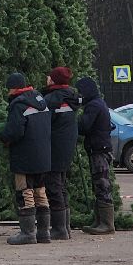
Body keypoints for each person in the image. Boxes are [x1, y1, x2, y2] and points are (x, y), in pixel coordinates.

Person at [0, 72, 52, 245]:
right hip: (43, 155)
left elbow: (15, 131)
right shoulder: (41, 101)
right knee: (40, 191)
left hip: (24, 156)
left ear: (14, 88)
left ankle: (28, 233)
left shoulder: (18, 104)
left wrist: (3, 137)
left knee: (24, 192)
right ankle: (44, 233)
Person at [43, 65, 80, 240]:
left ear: (54, 79)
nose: (47, 78)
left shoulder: (51, 99)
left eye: (49, 76)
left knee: (53, 186)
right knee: (61, 185)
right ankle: (65, 227)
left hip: (54, 148)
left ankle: (59, 229)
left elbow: (44, 124)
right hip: (67, 147)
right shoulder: (71, 98)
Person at [76, 75, 115, 236]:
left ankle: (106, 224)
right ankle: (100, 221)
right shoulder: (98, 103)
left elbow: (84, 126)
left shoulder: (93, 106)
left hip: (99, 150)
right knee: (99, 184)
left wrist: (75, 119)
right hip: (100, 148)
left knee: (101, 184)